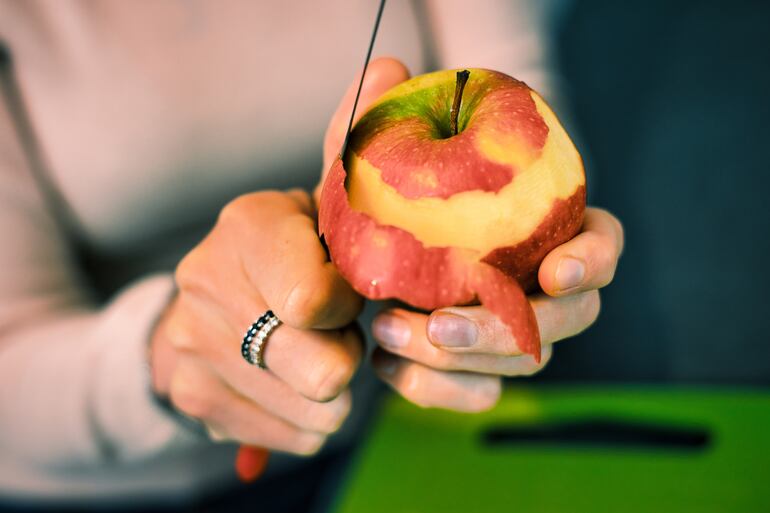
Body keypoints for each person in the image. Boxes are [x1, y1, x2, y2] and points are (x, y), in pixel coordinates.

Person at [0, 1, 622, 510]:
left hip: (395, 427)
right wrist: (166, 353)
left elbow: (524, 108)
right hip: (108, 486)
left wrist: (522, 257)